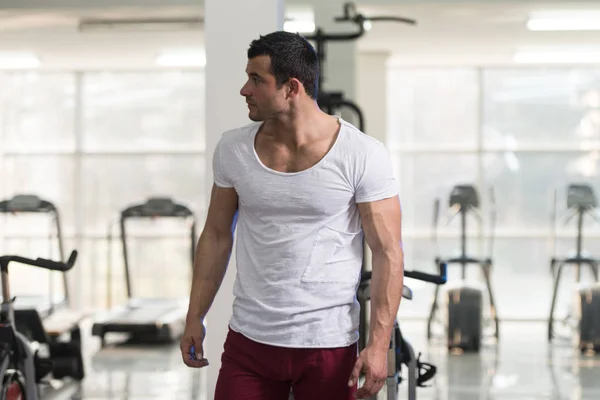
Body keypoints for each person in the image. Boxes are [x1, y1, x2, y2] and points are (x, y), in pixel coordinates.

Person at [180, 31, 404, 400]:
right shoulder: (233, 149)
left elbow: (387, 252)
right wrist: (194, 316)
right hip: (250, 341)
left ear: (291, 87)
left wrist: (378, 346)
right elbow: (217, 235)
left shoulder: (362, 154)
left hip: (327, 343)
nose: (244, 90)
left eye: (256, 80)